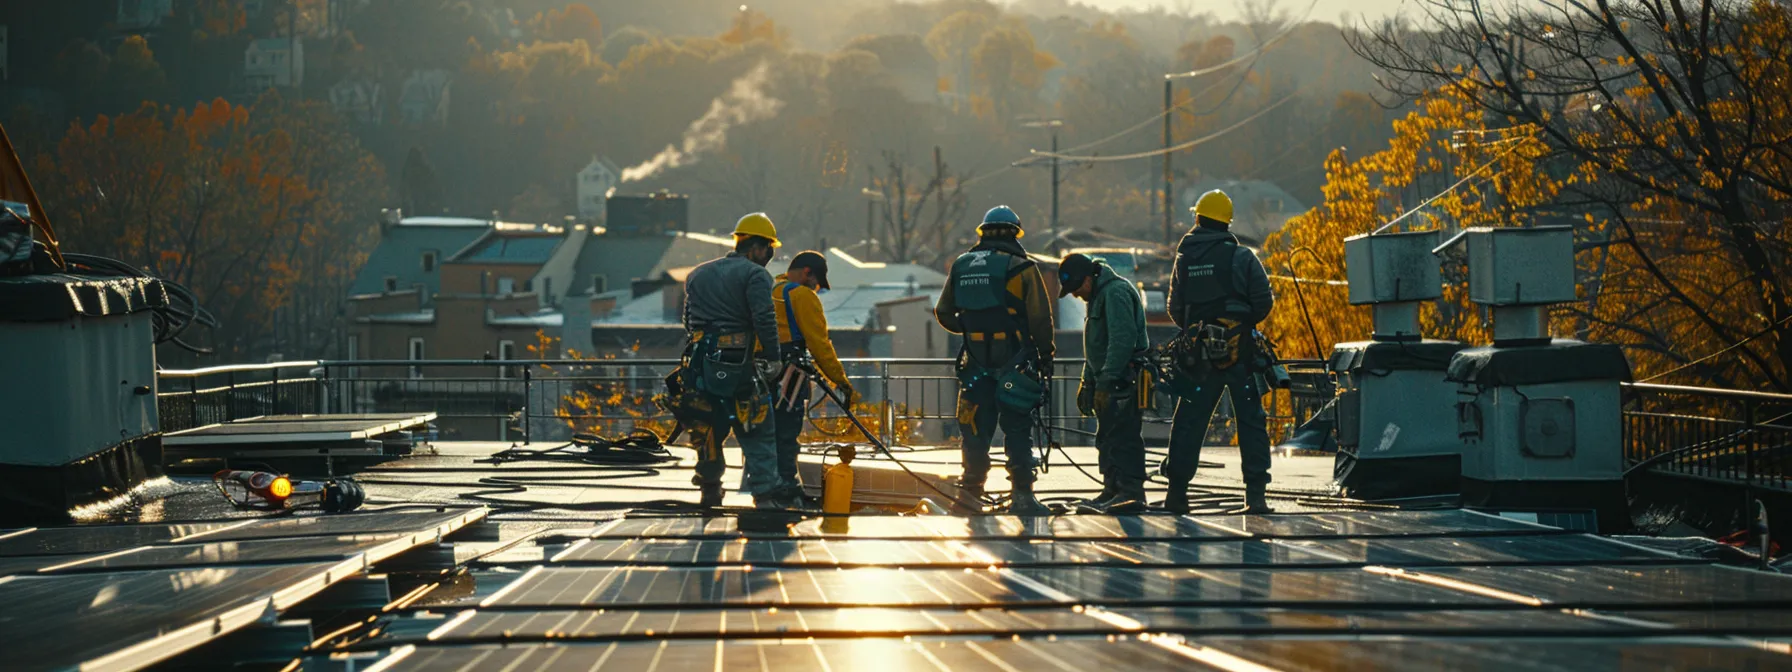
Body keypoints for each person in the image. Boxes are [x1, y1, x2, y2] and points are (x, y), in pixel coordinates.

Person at [934, 205, 1055, 515]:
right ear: (1015, 233)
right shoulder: (1021, 267)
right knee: (1017, 428)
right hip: (1014, 363)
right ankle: (1023, 497)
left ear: (982, 232)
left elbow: (943, 312)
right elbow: (1040, 318)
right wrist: (1045, 355)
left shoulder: (962, 266)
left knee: (974, 428)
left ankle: (969, 496)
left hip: (974, 364)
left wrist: (971, 329)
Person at [677, 212, 801, 509]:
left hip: (699, 365)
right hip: (738, 364)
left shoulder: (698, 273)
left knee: (707, 428)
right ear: (757, 247)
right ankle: (765, 495)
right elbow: (764, 318)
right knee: (757, 427)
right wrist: (773, 358)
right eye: (769, 249)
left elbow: (688, 320)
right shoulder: (755, 275)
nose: (770, 256)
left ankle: (709, 489)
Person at [1164, 190, 1276, 514]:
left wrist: (1198, 329)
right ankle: (1255, 498)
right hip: (1240, 354)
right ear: (1227, 222)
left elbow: (1175, 307)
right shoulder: (1243, 257)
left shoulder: (1185, 258)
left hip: (1198, 358)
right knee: (1251, 421)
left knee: (1188, 420)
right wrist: (1237, 327)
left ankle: (1177, 496)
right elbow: (1263, 302)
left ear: (1198, 218)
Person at [1061, 253, 1150, 514]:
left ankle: (1130, 492)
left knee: (1124, 436)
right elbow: (1096, 347)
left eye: (1077, 288)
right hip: (1108, 380)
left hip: (1123, 380)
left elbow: (1122, 341)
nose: (1076, 295)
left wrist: (1107, 380)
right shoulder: (1098, 295)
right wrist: (1087, 382)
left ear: (1088, 278)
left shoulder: (1116, 293)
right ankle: (1112, 489)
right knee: (1108, 436)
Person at [770, 250, 856, 492]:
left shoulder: (770, 291)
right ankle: (786, 487)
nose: (817, 289)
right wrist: (841, 382)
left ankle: (765, 485)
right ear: (807, 273)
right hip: (789, 377)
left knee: (765, 434)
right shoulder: (802, 296)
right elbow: (819, 345)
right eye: (816, 282)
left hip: (761, 373)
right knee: (787, 435)